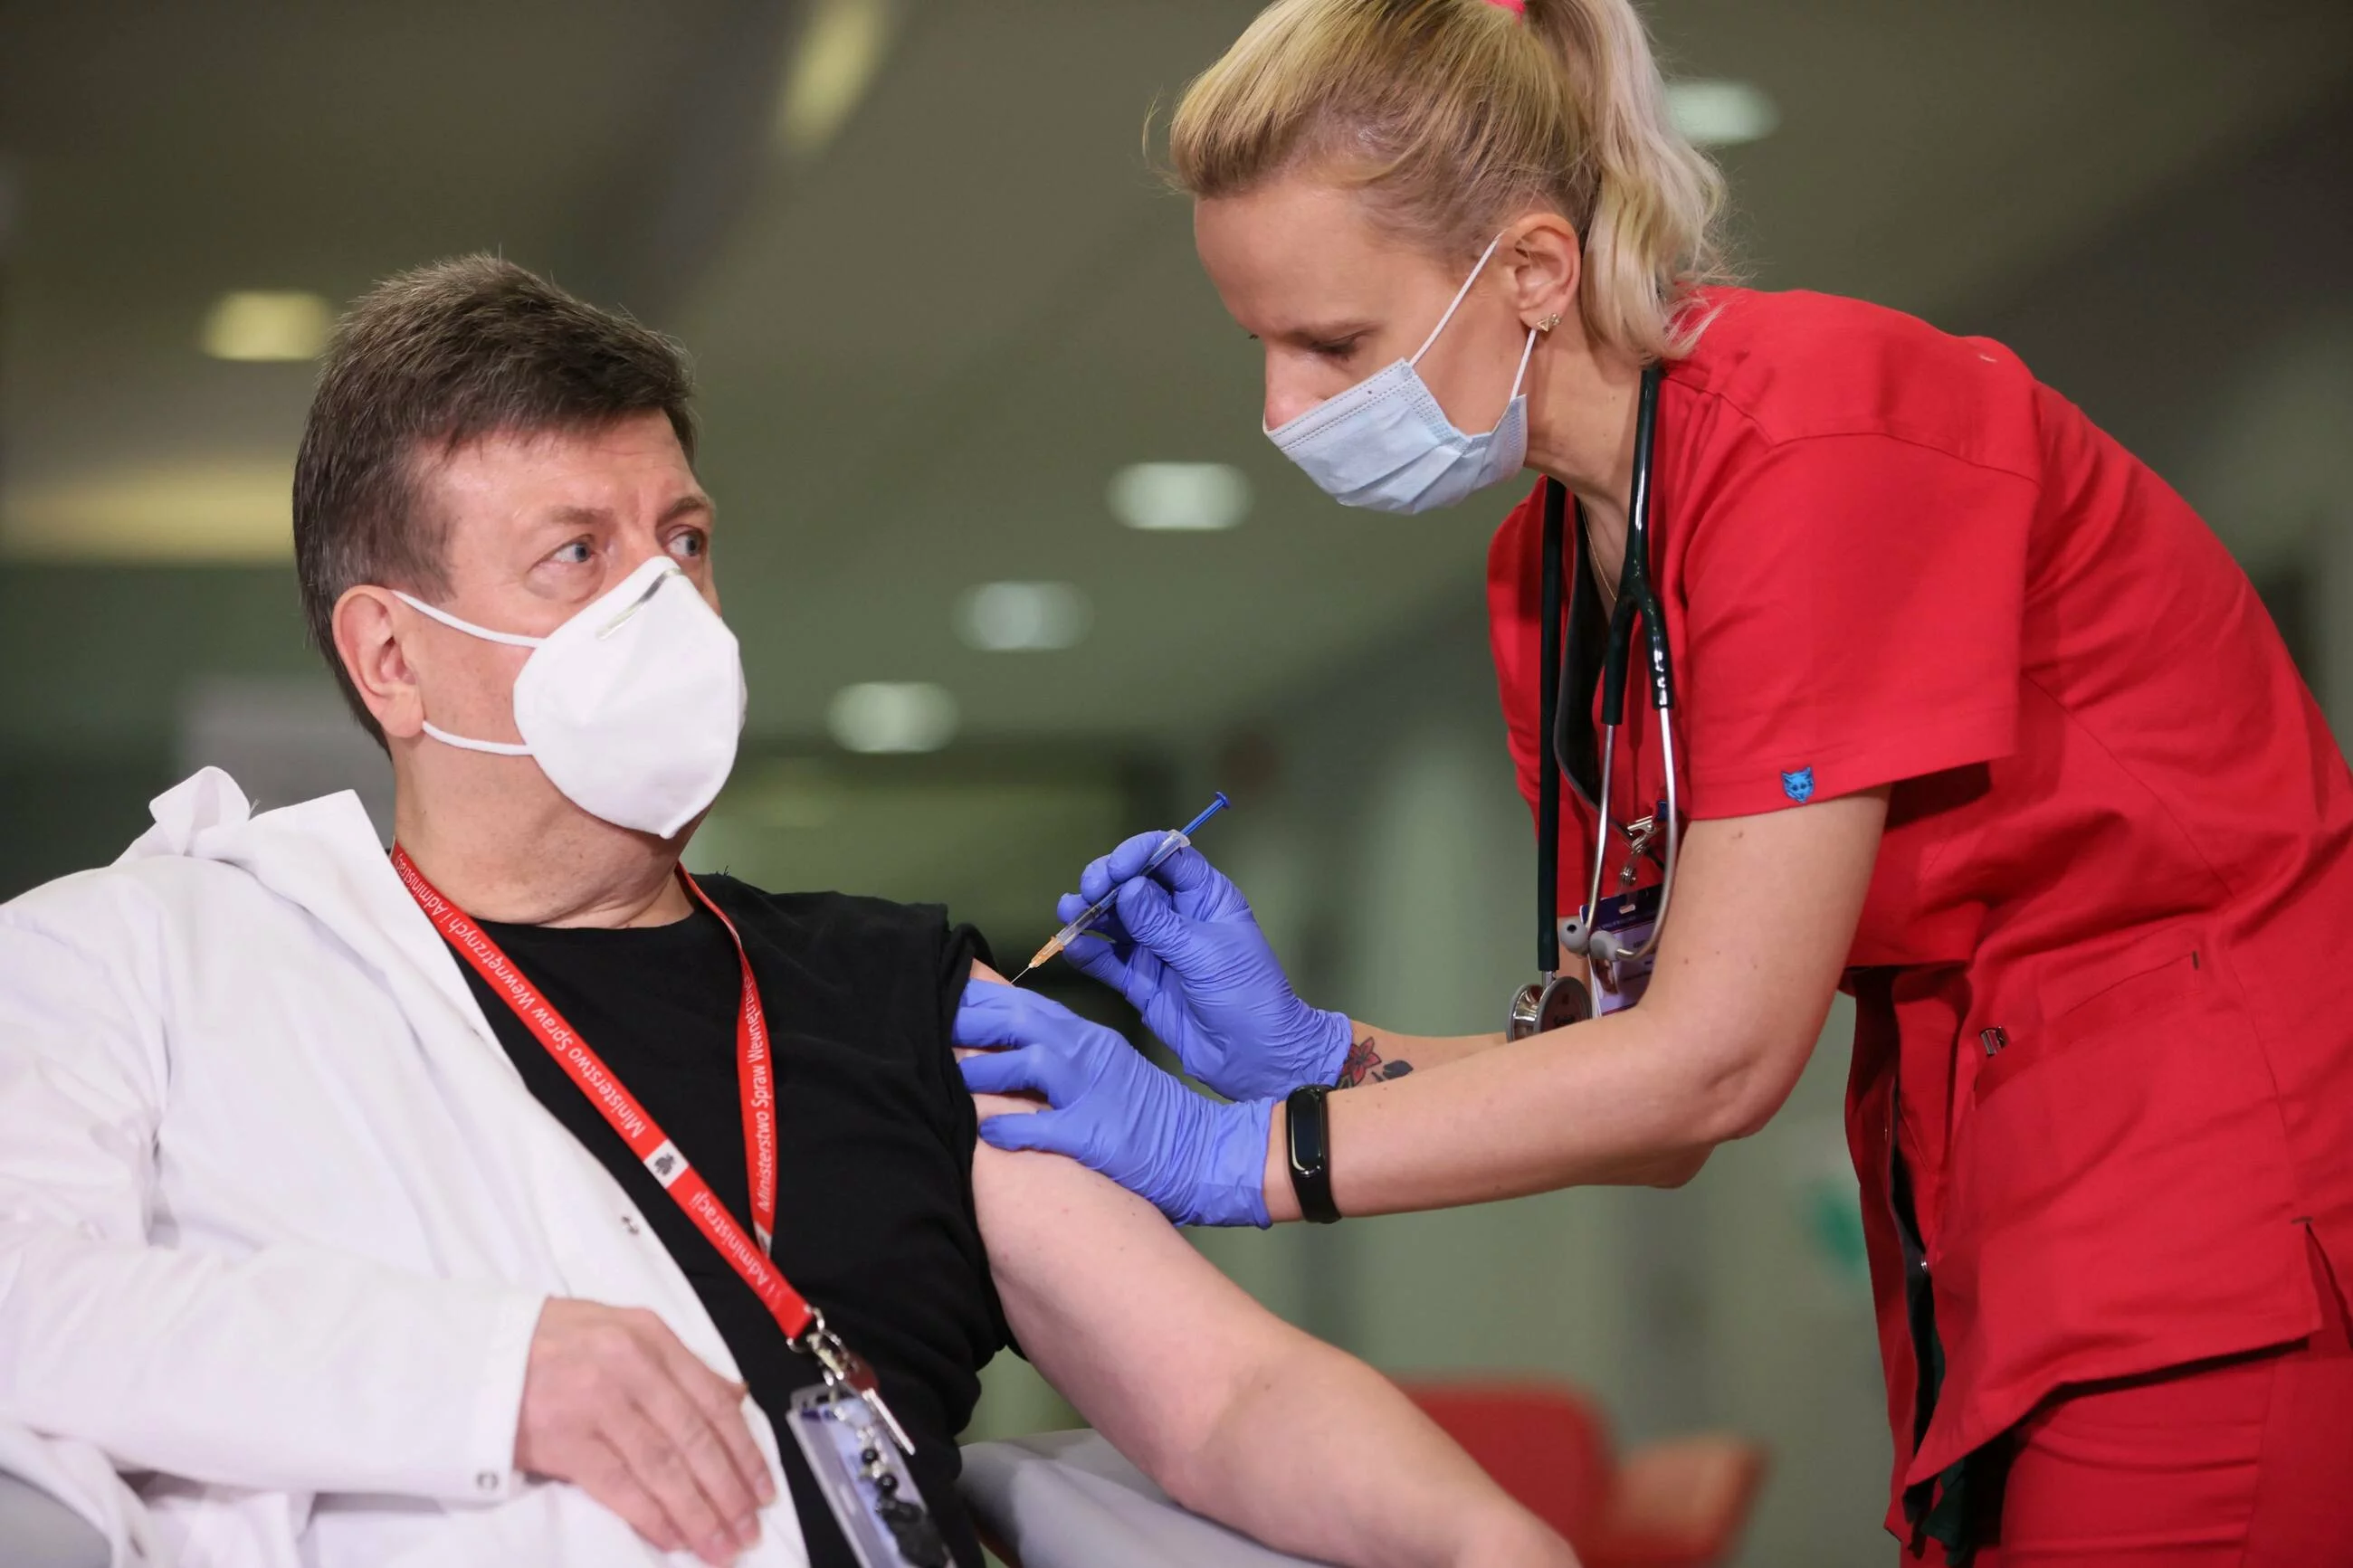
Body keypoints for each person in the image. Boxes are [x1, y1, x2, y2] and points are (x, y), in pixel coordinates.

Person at [949, 0, 2353, 1562]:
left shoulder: (1822, 435)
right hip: (1992, 1211)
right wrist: (1316, 1053)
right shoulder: (1548, 581)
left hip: (2214, 1196)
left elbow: (1719, 1065)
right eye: (1261, 346)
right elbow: (1640, 1076)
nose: (1282, 412)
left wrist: (1233, 1154)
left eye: (1330, 343)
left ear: (1536, 272)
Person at [0, 255, 1576, 1568]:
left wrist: (1489, 1550)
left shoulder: (899, 991)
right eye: (578, 555)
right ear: (390, 659)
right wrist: (492, 1376)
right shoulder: (171, 969)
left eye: (685, 540)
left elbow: (1223, 1399)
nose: (667, 605)